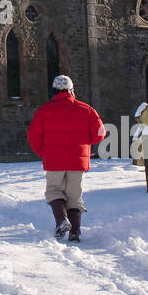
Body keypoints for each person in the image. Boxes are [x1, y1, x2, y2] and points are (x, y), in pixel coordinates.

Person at [26, 74, 106, 242]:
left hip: (54, 160)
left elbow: (33, 136)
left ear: (53, 91)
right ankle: (75, 232)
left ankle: (62, 220)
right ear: (72, 91)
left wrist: (44, 152)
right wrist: (85, 143)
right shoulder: (87, 110)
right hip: (78, 161)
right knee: (74, 196)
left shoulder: (44, 111)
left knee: (54, 190)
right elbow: (100, 133)